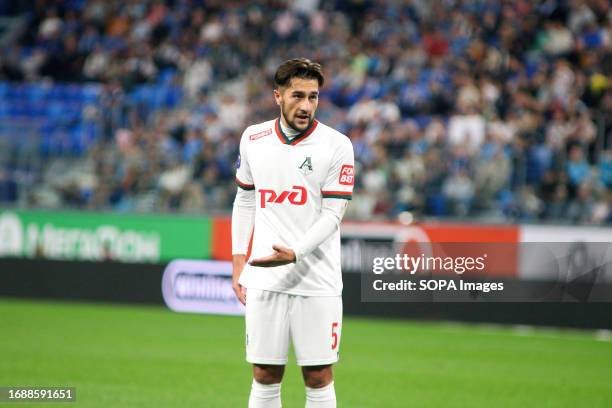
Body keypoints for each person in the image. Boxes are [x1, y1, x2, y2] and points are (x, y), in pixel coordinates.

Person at [231, 58, 354, 408]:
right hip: (265, 275)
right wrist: (238, 261)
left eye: (313, 97)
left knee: (318, 376)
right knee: (264, 374)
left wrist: (296, 252)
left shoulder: (337, 145)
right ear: (277, 96)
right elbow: (245, 200)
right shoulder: (253, 138)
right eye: (297, 96)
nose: (306, 106)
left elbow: (333, 214)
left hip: (317, 277)